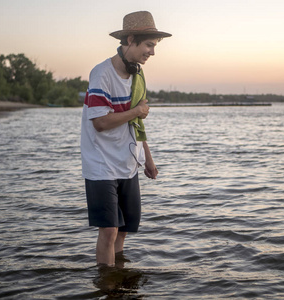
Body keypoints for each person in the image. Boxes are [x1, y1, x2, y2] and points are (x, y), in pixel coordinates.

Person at [80, 11, 171, 267]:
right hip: (101, 165)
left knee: (123, 230)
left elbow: (137, 122)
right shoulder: (101, 73)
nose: (152, 52)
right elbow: (100, 122)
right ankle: (107, 286)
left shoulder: (138, 74)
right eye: (149, 45)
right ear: (130, 39)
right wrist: (135, 111)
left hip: (128, 164)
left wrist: (148, 160)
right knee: (108, 230)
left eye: (154, 46)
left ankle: (118, 281)